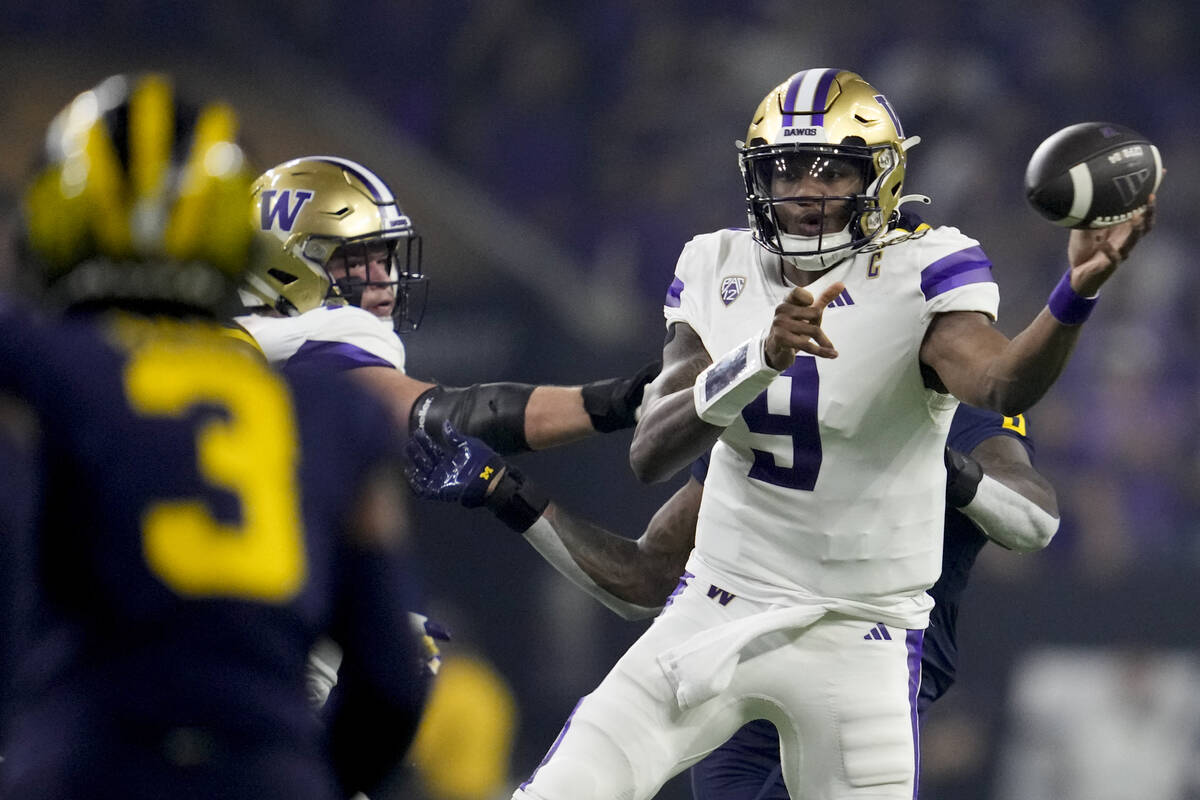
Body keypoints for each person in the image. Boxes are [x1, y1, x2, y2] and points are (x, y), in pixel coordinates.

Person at [495, 67, 1152, 800]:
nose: (807, 192)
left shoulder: (924, 270)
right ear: (755, 178)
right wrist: (761, 357)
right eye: (785, 171)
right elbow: (650, 451)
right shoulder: (717, 264)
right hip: (719, 607)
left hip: (861, 635)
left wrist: (1075, 292)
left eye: (833, 172)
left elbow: (1003, 386)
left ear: (882, 178)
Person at [0, 73, 426, 800]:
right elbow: (391, 682)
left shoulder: (35, 368)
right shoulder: (329, 408)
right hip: (268, 770)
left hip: (83, 764)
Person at [405, 402, 1056, 798]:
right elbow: (648, 575)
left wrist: (942, 465)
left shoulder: (955, 398)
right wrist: (500, 487)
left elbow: (1030, 510)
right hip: (738, 679)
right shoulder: (776, 404)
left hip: (868, 689)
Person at [235, 155, 657, 455]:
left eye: (384, 256)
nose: (385, 278)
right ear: (286, 264)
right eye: (354, 260)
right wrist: (615, 401)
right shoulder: (327, 335)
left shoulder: (229, 339)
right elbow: (437, 414)